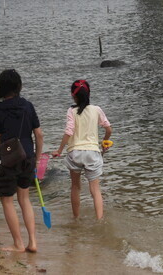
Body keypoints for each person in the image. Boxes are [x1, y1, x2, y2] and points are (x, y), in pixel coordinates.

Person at [0, 69, 43, 253]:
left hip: (9, 157)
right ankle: (33, 242)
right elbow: (39, 135)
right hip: (28, 156)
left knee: (7, 199)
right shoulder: (28, 106)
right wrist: (37, 159)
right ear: (18, 86)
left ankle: (18, 244)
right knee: (25, 199)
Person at [52, 79, 112, 220]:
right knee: (95, 190)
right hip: (92, 153)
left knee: (75, 187)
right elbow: (109, 129)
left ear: (73, 96)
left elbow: (69, 131)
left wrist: (59, 151)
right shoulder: (96, 110)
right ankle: (99, 220)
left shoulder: (71, 111)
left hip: (75, 153)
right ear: (89, 94)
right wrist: (104, 142)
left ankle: (76, 218)